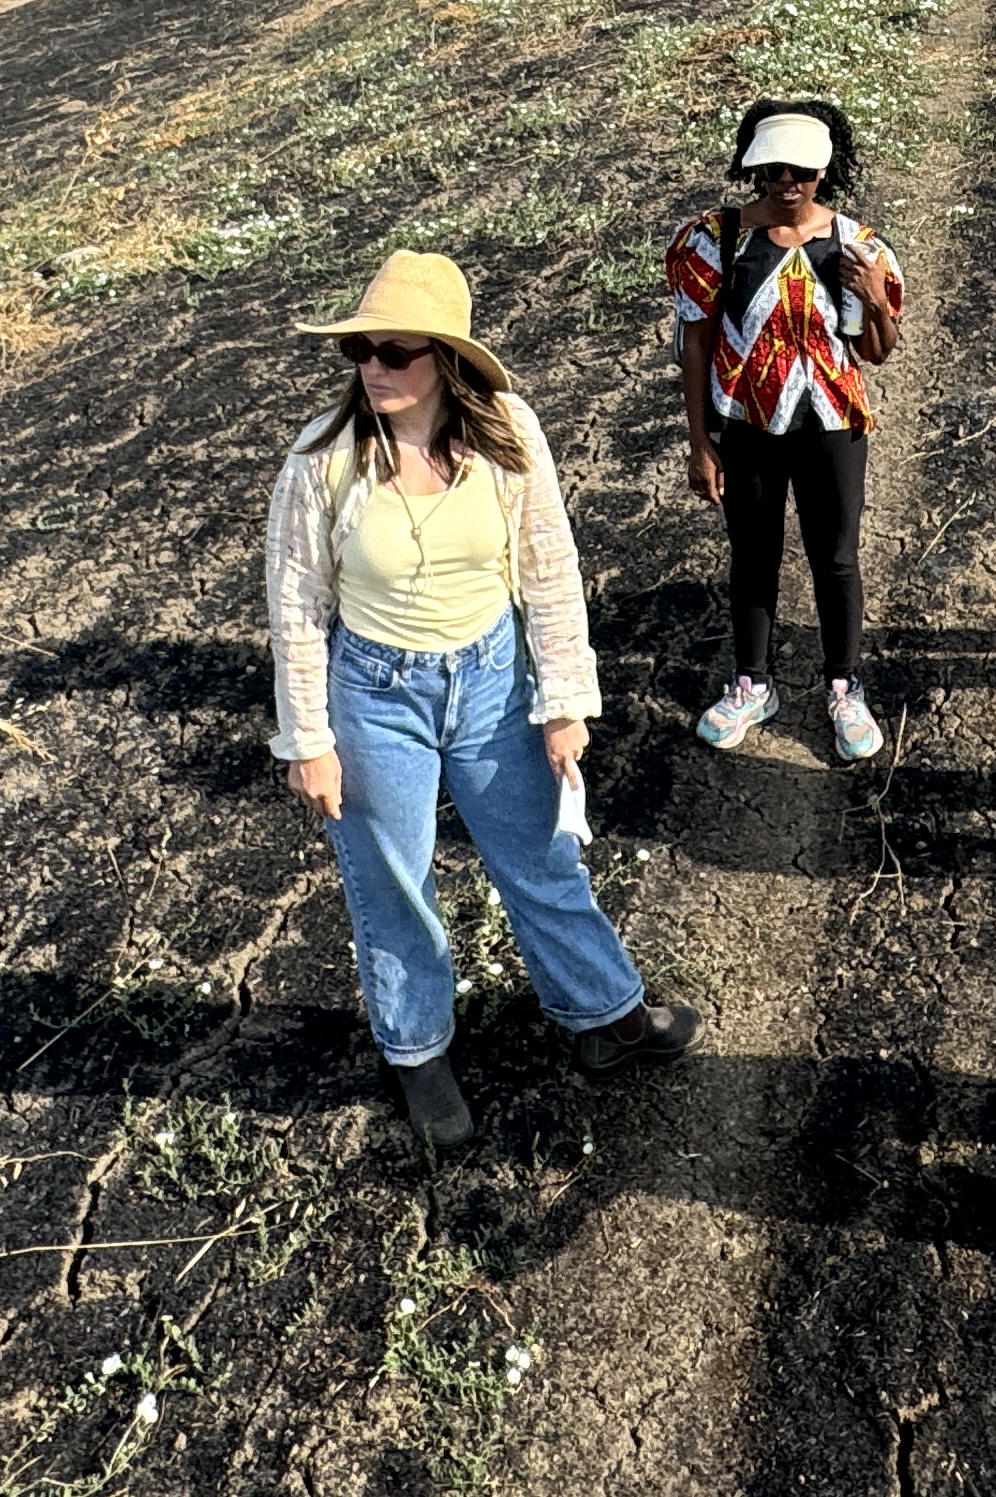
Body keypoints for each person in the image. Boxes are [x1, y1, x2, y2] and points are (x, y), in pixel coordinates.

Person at [264, 248, 701, 1155]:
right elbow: (296, 606)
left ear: (449, 361)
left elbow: (550, 568)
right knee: (394, 882)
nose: (374, 369)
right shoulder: (321, 459)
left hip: (494, 678)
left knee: (540, 856)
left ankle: (604, 1012)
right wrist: (309, 739)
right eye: (362, 353)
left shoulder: (506, 432)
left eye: (396, 352)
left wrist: (565, 698)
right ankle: (418, 1051)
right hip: (376, 692)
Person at [671, 99, 908, 762]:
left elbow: (881, 351)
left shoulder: (861, 247)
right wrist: (700, 442)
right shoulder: (716, 240)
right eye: (772, 170)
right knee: (753, 554)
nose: (785, 184)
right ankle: (753, 683)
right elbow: (694, 344)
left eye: (800, 171)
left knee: (836, 558)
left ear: (824, 170)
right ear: (755, 168)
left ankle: (843, 685)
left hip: (833, 427)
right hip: (747, 426)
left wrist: (870, 293)